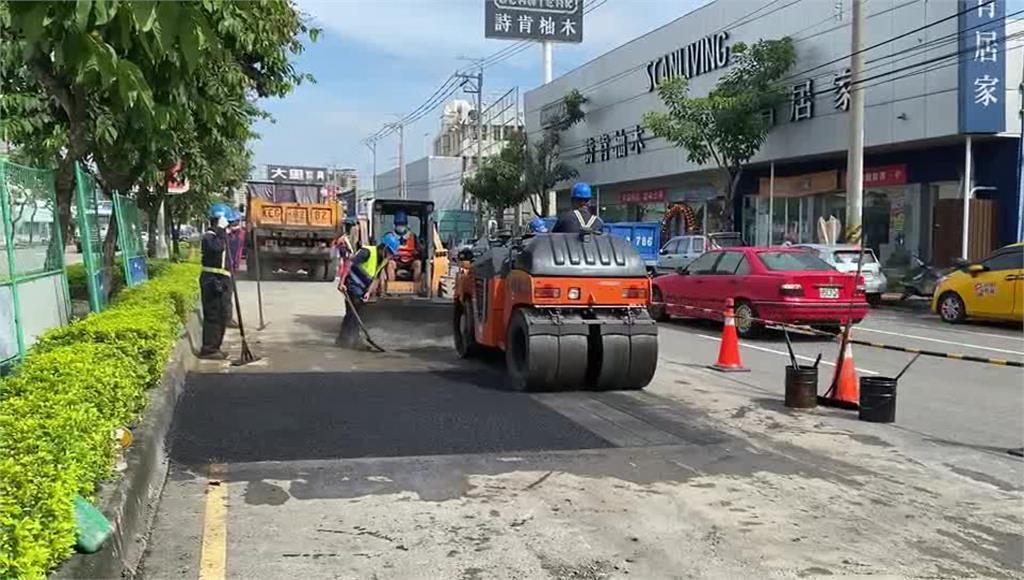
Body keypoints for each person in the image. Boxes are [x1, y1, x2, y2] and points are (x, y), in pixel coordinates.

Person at [337, 232, 401, 348]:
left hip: (362, 289)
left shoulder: (383, 260)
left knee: (355, 314)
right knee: (353, 312)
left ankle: (348, 339)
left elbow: (375, 278)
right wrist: (341, 282)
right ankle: (347, 340)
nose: (391, 256)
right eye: (390, 253)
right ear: (385, 248)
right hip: (351, 284)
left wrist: (368, 292)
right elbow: (349, 263)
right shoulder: (367, 252)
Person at [199, 203, 234, 359]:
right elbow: (216, 249)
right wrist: (220, 230)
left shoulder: (220, 235)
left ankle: (216, 347)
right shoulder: (209, 236)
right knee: (213, 316)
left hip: (221, 279)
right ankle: (209, 349)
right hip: (212, 281)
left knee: (222, 316)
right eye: (228, 223)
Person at [385, 210, 422, 293]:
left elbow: (420, 250)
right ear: (394, 225)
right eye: (398, 225)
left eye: (402, 224)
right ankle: (391, 287)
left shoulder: (413, 237)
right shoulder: (390, 237)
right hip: (396, 262)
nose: (400, 227)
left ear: (406, 225)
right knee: (390, 264)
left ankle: (416, 288)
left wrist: (418, 253)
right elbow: (384, 251)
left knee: (418, 264)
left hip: (410, 262)